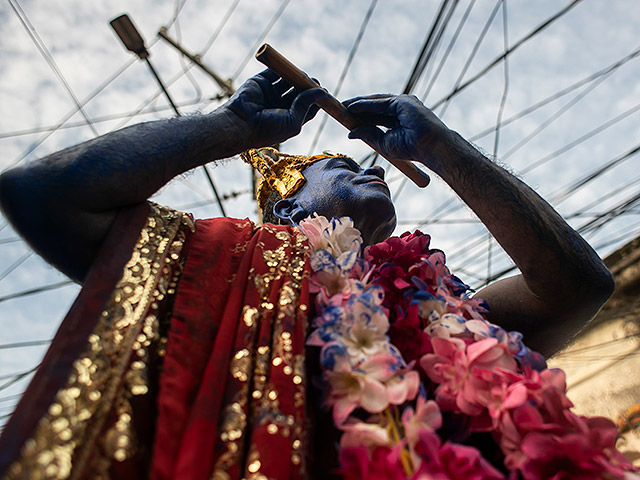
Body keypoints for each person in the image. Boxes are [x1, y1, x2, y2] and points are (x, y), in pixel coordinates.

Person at [0, 69, 618, 479]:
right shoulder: (214, 258)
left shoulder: (447, 310)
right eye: (343, 164)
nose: (373, 169)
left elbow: (576, 286)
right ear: (289, 206)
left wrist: (441, 145)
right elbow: (42, 196)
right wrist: (230, 129)